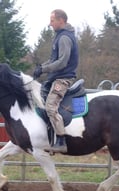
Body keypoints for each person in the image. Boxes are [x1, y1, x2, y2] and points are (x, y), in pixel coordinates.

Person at [33, 9, 79, 153]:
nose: (50, 24)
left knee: (50, 107)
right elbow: (53, 60)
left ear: (61, 20)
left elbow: (62, 62)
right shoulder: (59, 36)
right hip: (56, 77)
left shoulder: (64, 37)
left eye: (52, 20)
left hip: (63, 79)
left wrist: (44, 70)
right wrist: (42, 67)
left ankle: (61, 140)